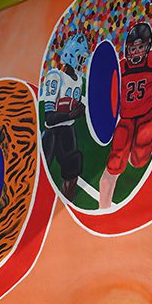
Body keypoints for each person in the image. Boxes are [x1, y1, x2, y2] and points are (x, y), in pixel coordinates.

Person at [98, 21, 152, 209]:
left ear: (147, 47)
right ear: (127, 49)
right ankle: (104, 207)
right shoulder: (121, 68)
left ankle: (135, 155)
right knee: (114, 163)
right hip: (126, 119)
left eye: (140, 48)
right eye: (133, 48)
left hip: (147, 115)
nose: (136, 52)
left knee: (139, 161)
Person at [40, 34, 89, 200]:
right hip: (52, 134)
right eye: (80, 58)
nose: (82, 62)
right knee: (41, 173)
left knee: (72, 173)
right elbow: (49, 117)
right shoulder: (56, 76)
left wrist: (80, 111)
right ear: (71, 55)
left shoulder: (79, 81)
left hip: (68, 131)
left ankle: (66, 206)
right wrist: (71, 114)